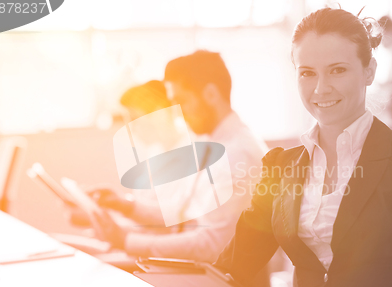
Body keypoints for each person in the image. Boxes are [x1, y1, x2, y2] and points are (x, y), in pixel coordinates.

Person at [214, 7, 392, 287]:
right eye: (307, 72)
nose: (320, 88)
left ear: (369, 71)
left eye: (337, 70)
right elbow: (234, 265)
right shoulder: (281, 166)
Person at [76, 51, 269, 264]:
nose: (178, 113)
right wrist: (126, 205)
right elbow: (181, 212)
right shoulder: (209, 143)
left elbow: (213, 245)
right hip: (203, 274)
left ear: (211, 95)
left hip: (228, 286)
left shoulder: (237, 154)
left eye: (182, 102)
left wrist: (126, 240)